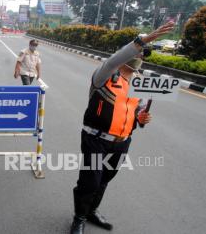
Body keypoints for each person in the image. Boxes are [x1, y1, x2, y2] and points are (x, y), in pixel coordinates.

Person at [70, 22, 175, 234]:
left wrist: (142, 119)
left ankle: (92, 210)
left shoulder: (139, 83)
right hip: (96, 139)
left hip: (121, 142)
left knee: (105, 179)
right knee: (90, 181)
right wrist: (143, 40)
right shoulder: (105, 75)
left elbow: (137, 113)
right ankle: (79, 218)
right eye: (140, 51)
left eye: (144, 53)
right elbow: (113, 60)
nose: (141, 56)